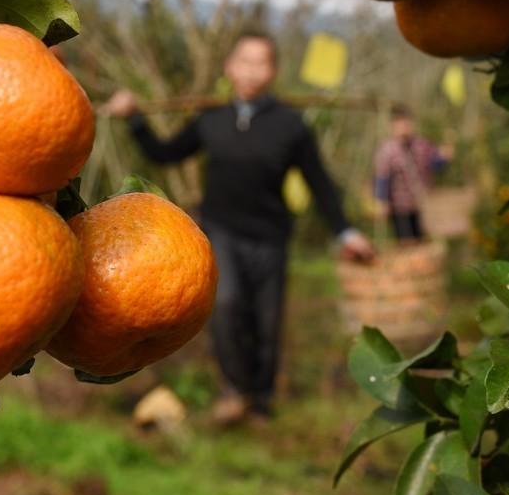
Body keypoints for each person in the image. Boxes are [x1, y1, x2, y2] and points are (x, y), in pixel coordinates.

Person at [104, 31, 374, 425]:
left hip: (270, 236)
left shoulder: (290, 125)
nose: (251, 70)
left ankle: (261, 401)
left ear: (274, 71)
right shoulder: (211, 119)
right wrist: (135, 120)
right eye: (243, 61)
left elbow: (320, 184)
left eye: (260, 62)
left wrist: (345, 232)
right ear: (229, 67)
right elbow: (164, 153)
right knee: (226, 305)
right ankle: (234, 390)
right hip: (220, 232)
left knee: (267, 320)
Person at [372, 105, 451, 241]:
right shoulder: (387, 150)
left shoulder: (421, 144)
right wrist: (382, 200)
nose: (404, 128)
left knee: (423, 241)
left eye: (406, 124)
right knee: (406, 243)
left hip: (422, 203)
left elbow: (434, 165)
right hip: (400, 207)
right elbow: (382, 177)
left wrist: (444, 158)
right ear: (393, 126)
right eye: (400, 124)